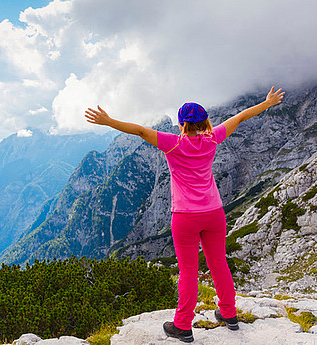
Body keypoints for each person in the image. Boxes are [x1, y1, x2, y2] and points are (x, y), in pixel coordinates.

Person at [84, 86, 285, 343]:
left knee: (188, 270)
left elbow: (140, 130)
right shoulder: (213, 137)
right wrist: (267, 103)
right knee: (219, 263)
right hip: (214, 213)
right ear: (205, 122)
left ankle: (182, 325)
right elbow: (241, 117)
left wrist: (108, 121)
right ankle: (229, 314)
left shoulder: (173, 143)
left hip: (185, 216)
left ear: (181, 124)